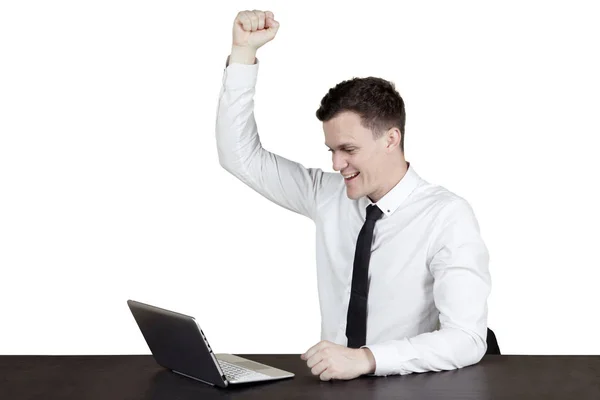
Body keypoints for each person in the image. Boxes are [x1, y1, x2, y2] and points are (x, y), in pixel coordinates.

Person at [216, 9, 492, 381]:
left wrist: (367, 359)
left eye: (348, 149)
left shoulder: (447, 216)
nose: (336, 164)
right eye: (330, 150)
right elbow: (241, 157)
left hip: (410, 387)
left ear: (391, 139)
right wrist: (243, 54)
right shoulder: (326, 194)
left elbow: (466, 339)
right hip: (332, 387)